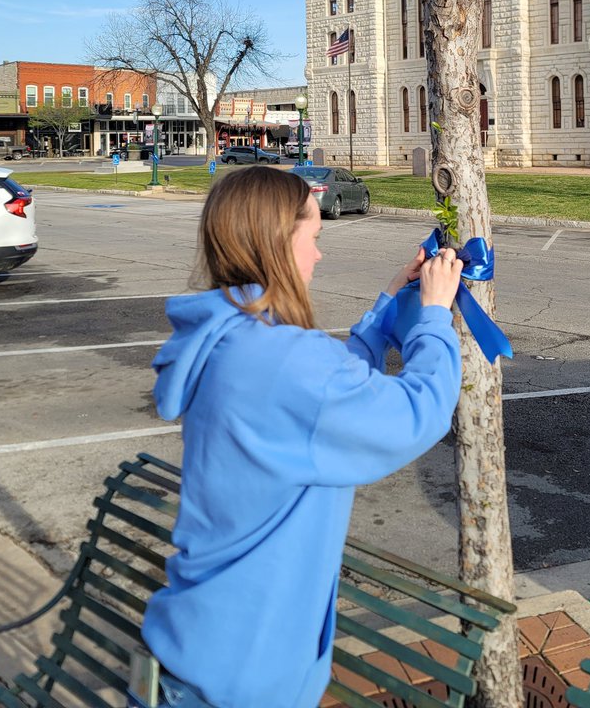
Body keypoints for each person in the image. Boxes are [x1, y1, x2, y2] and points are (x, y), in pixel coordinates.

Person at [141, 165, 463, 708]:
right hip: (244, 677)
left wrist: (387, 307)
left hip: (191, 647)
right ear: (278, 243)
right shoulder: (285, 359)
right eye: (314, 237)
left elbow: (324, 390)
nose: (318, 255)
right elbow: (416, 411)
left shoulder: (230, 338)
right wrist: (433, 316)